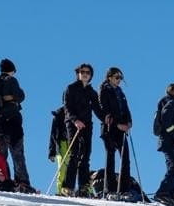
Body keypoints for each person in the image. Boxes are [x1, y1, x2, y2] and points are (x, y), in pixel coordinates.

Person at [0, 58, 36, 193]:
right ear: (12, 70)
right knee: (18, 155)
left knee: (1, 157)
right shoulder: (11, 80)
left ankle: (4, 183)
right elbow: (21, 96)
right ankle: (22, 184)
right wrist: (11, 98)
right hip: (13, 124)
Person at [61, 63, 103, 197]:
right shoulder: (71, 88)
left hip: (87, 125)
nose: (85, 74)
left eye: (88, 72)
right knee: (74, 153)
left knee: (86, 155)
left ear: (91, 76)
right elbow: (67, 107)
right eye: (82, 72)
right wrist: (75, 120)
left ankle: (84, 187)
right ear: (78, 74)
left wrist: (107, 119)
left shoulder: (91, 92)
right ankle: (68, 187)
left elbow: (97, 109)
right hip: (73, 123)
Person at [98, 67, 133, 197]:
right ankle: (110, 189)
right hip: (110, 128)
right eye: (117, 77)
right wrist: (117, 124)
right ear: (109, 77)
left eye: (120, 78)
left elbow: (125, 108)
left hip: (122, 129)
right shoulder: (104, 90)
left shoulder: (120, 92)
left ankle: (124, 189)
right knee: (110, 156)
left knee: (125, 158)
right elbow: (104, 108)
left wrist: (129, 122)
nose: (119, 80)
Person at [48, 106, 69, 191]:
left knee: (71, 168)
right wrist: (52, 151)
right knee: (62, 168)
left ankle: (67, 190)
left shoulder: (75, 113)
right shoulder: (58, 116)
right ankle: (60, 190)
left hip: (72, 143)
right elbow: (53, 134)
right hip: (61, 144)